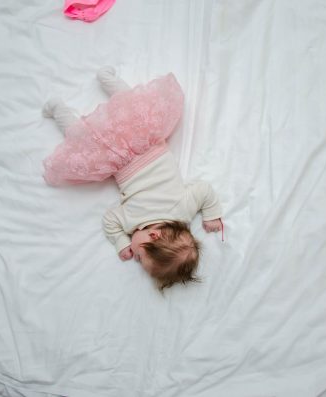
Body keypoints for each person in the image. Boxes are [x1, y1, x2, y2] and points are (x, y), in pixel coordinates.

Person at [43, 67, 223, 290]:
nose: (135, 258)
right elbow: (110, 221)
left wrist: (211, 215)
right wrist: (120, 239)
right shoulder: (133, 221)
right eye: (140, 255)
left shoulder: (184, 210)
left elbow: (204, 191)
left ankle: (107, 78)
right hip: (131, 153)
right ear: (154, 235)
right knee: (84, 139)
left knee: (132, 109)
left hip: (144, 143)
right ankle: (58, 108)